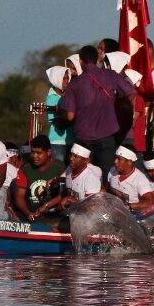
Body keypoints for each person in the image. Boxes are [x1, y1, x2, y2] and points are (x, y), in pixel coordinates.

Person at [59, 45, 137, 177]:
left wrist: (61, 113)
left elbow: (70, 116)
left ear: (80, 61)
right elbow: (131, 92)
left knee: (83, 175)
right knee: (108, 176)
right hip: (107, 134)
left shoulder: (75, 83)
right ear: (97, 60)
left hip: (83, 137)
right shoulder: (111, 75)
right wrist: (119, 107)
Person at [35, 143, 103, 218]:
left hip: (87, 220)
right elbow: (66, 192)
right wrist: (46, 206)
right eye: (71, 155)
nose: (71, 158)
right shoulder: (70, 169)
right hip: (73, 216)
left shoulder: (91, 178)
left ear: (86, 160)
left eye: (76, 156)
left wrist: (71, 200)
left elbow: (93, 207)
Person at [12, 135, 65, 220]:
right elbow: (19, 196)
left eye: (39, 153)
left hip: (53, 214)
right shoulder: (26, 169)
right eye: (32, 152)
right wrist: (28, 213)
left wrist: (47, 207)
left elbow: (64, 194)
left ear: (48, 152)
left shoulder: (60, 168)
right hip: (29, 212)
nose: (34, 156)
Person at [107, 145, 154, 213]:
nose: (115, 161)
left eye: (119, 159)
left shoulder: (140, 179)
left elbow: (151, 202)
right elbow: (107, 186)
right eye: (115, 158)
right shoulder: (112, 170)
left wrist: (129, 207)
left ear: (129, 162)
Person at [45, 65, 73, 160]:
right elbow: (59, 125)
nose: (67, 81)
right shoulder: (51, 98)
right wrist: (74, 118)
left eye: (68, 78)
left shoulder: (69, 95)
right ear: (56, 79)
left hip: (72, 141)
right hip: (58, 142)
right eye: (64, 78)